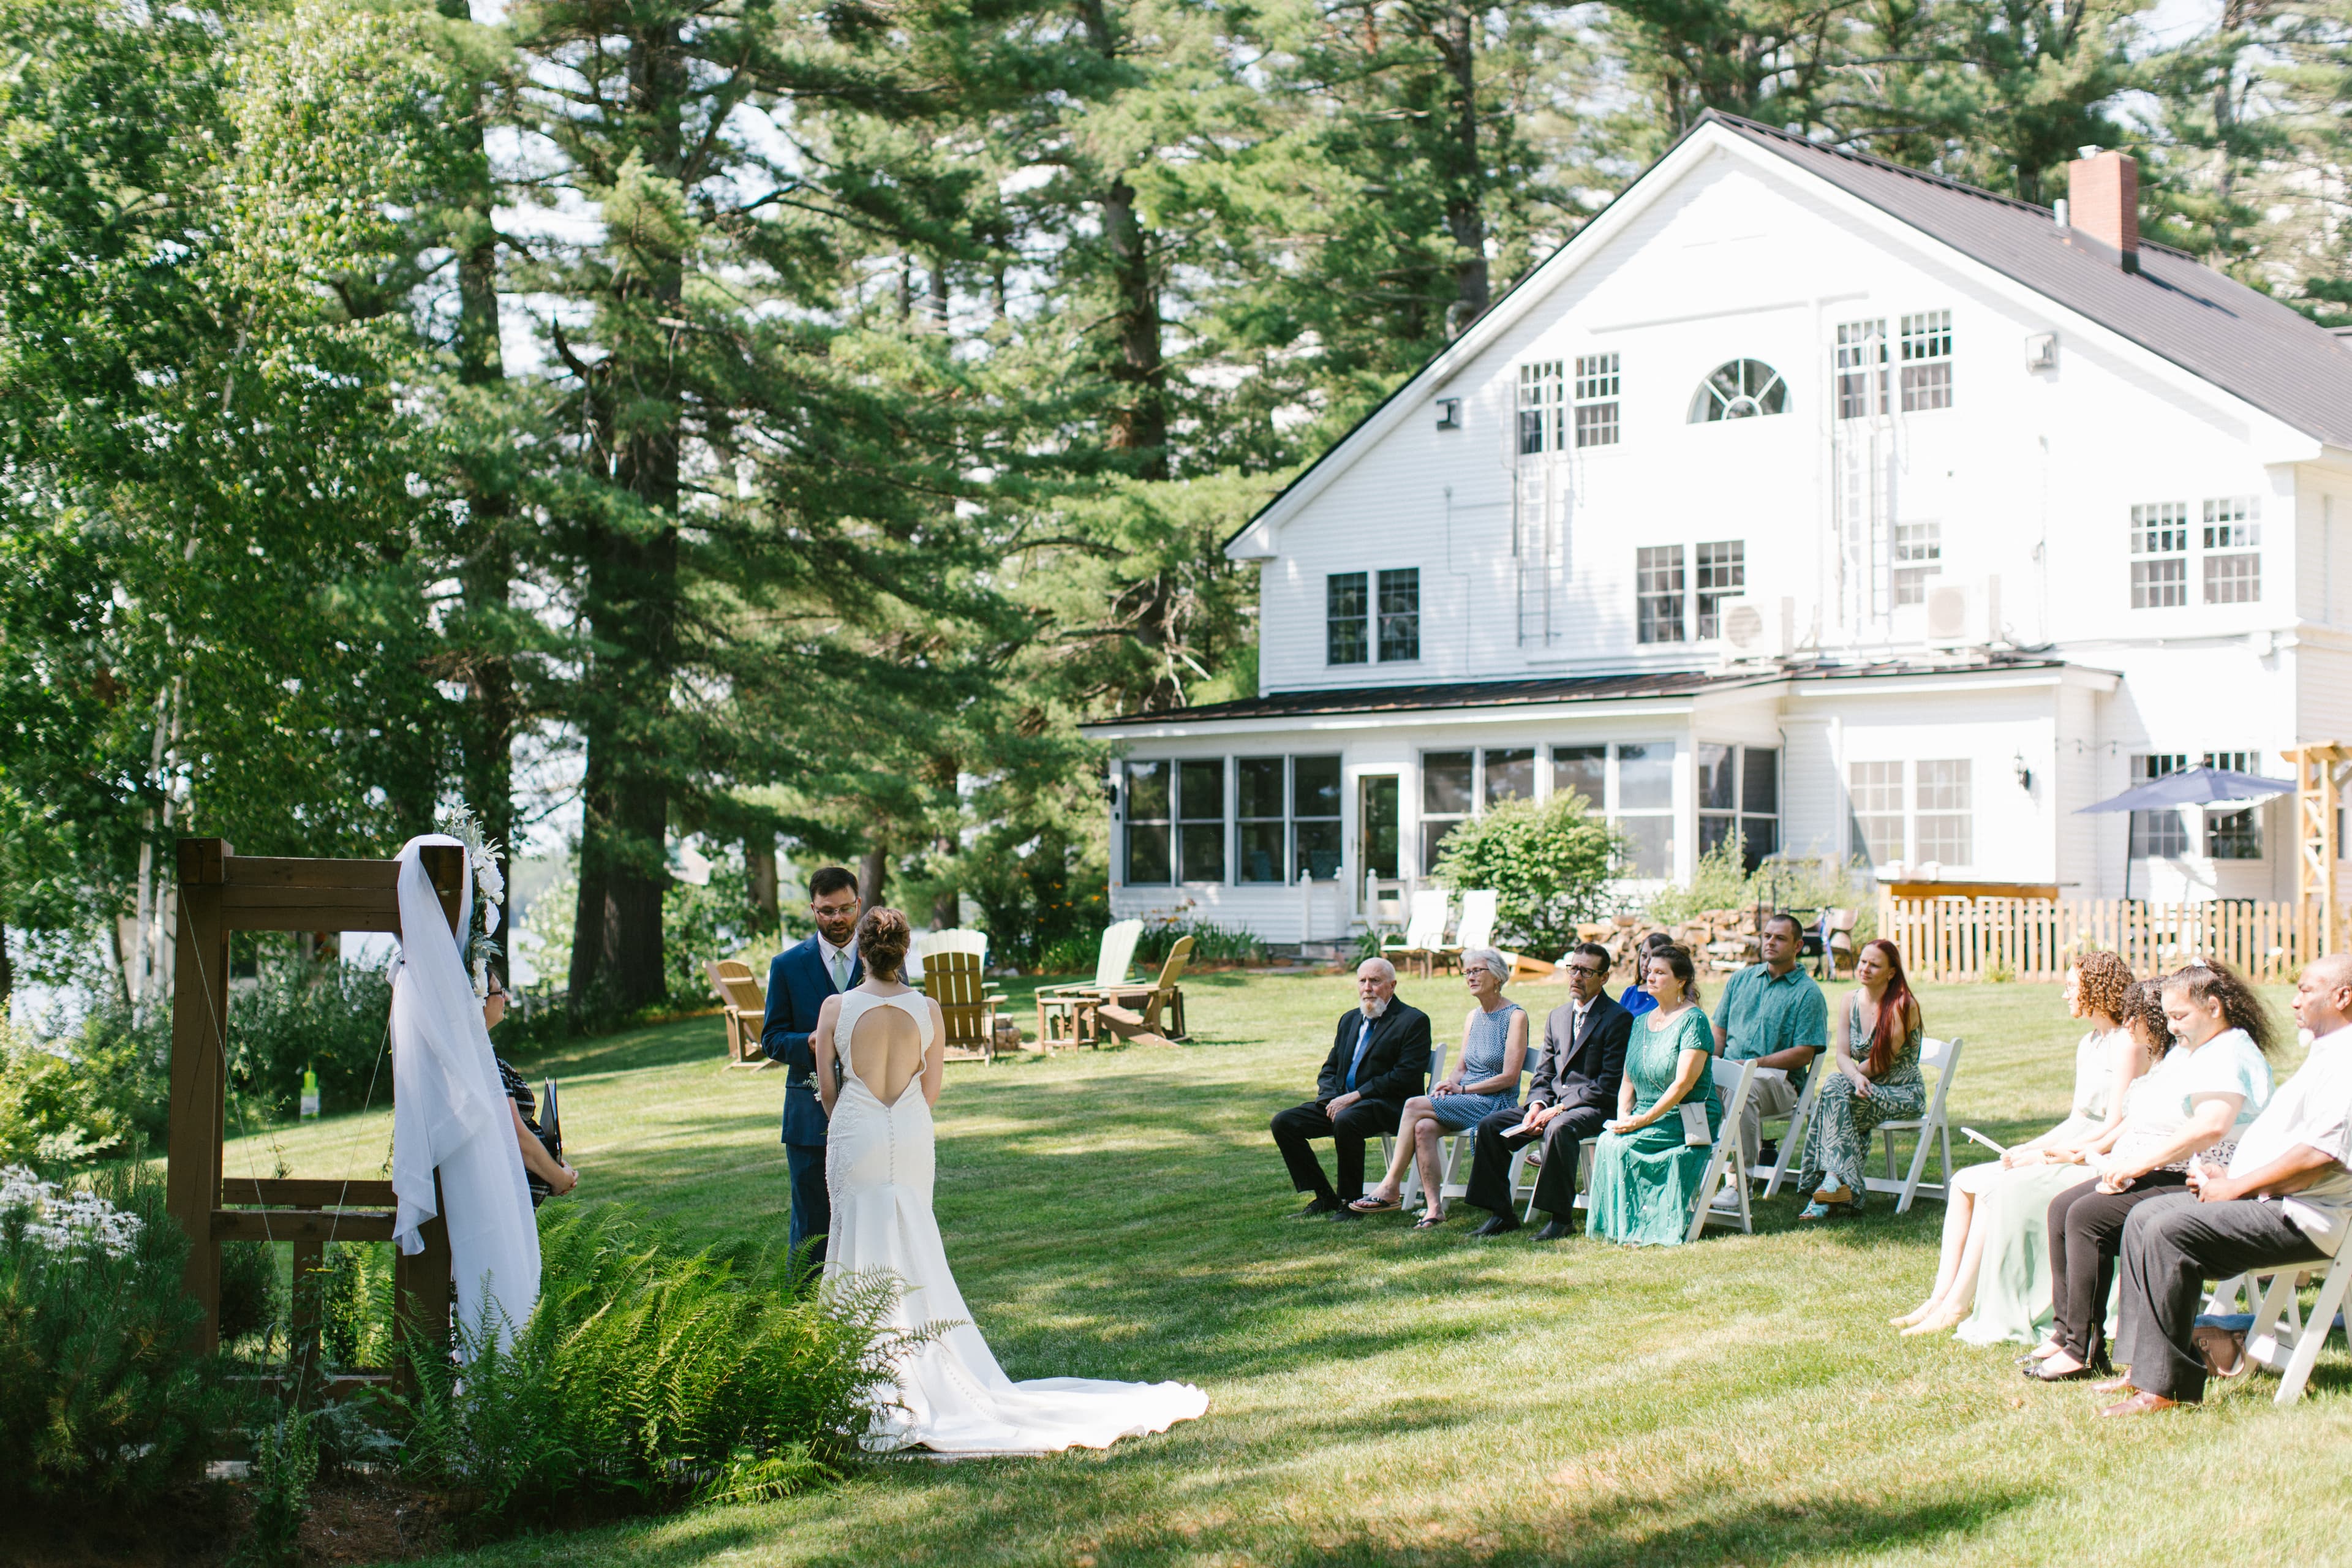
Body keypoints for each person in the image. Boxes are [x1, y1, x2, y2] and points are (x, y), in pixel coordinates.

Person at [817, 908, 1207, 1453]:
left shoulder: (837, 1007)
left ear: (860, 950)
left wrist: (852, 1123)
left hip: (856, 1131)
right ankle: (929, 1357)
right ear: (905, 953)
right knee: (915, 1239)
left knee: (857, 1239)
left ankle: (864, 1374)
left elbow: (831, 1093)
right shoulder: (926, 1008)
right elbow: (931, 1089)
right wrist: (902, 1116)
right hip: (907, 1132)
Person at [2097, 952, 2352, 1416]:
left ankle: (2166, 1388)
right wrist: (2233, 1177)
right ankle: (2141, 1367)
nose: (2294, 1001)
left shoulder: (2347, 1059)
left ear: (2343, 996)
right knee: (2144, 1217)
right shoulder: (2329, 1051)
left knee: (2168, 1230)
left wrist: (2237, 1188)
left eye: (2305, 991)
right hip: (2279, 1199)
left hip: (2308, 1216)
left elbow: (2322, 1156)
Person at [2027, 960, 2276, 1382]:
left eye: (2180, 1017)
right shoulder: (2205, 1049)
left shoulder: (2231, 1051)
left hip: (2212, 1184)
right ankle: (2070, 1336)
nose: (2173, 1027)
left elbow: (2212, 1125)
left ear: (2214, 1007)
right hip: (2186, 1172)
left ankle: (2082, 1350)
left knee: (2088, 1217)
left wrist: (2140, 1162)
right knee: (2065, 1207)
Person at [1908, 956, 2146, 1342]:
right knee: (1965, 1180)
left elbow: (2112, 1127)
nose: (2065, 994)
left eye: (2072, 986)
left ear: (2096, 990)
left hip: (2097, 1156)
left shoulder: (2126, 1045)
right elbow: (2076, 1117)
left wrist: (2048, 1156)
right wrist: (2029, 1146)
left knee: (1994, 1189)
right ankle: (1940, 1297)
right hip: (2074, 1143)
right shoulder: (2089, 1043)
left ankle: (1958, 1305)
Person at [1461, 942, 1632, 1240]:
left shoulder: (1618, 1019)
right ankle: (1501, 1213)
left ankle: (1560, 1219)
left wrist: (1560, 1109)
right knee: (1491, 1125)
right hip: (1552, 1105)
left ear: (1603, 978)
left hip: (1594, 1107)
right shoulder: (1558, 1016)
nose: (1576, 977)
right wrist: (1538, 1104)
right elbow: (1544, 1072)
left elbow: (1608, 1084)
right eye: (1573, 969)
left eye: (1586, 971)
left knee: (1559, 1128)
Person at [1348, 949, 1528, 1229]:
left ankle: (1391, 1185)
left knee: (1413, 1105)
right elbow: (1461, 1067)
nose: (1470, 977)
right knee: (1423, 1128)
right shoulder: (1473, 1017)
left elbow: (1509, 1077)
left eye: (1476, 971)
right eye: (1467, 972)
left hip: (1495, 1103)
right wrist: (1447, 1084)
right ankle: (1435, 1209)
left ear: (1497, 976)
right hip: (1466, 1098)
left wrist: (1463, 1091)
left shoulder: (1515, 1016)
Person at [1270, 959, 1434, 1217]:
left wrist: (1354, 1097)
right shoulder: (1349, 1020)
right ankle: (1324, 1197)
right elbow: (1330, 1068)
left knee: (1347, 1119)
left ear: (1392, 985)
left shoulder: (1413, 1021)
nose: (1368, 988)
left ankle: (1350, 1201)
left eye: (1375, 981)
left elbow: (1403, 1076)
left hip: (1392, 1107)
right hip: (1344, 1104)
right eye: (1362, 981)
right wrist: (1329, 1098)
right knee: (1284, 1122)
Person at [761, 866, 864, 1265]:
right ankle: (803, 1311)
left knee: (866, 1213)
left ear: (858, 904)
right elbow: (772, 1038)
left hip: (870, 1106)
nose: (837, 919)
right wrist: (810, 1042)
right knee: (811, 1223)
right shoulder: (787, 966)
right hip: (807, 1115)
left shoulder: (882, 958)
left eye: (844, 909)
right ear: (812, 909)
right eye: (826, 911)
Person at [1585, 944, 1721, 1246]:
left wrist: (1641, 1120)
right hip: (1646, 1111)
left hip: (1687, 1115)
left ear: (1681, 980)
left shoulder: (1693, 1021)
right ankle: (1624, 1225)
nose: (1651, 976)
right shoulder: (1640, 1022)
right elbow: (1628, 1079)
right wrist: (1623, 1117)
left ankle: (1644, 1226)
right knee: (1609, 1138)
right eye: (1650, 971)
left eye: (1661, 973)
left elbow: (1683, 1084)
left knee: (1625, 1144)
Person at [1796, 938, 1925, 1219]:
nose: (1865, 968)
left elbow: (1882, 1061)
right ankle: (1835, 1183)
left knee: (1833, 1097)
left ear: (1891, 972)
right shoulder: (1849, 1000)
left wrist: (1855, 1078)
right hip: (1863, 1086)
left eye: (1874, 965)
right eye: (1863, 962)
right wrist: (1854, 1077)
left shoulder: (1904, 1004)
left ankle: (1830, 1186)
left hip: (1901, 1092)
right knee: (1834, 1087)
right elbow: (1842, 1055)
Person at [1710, 911, 1829, 1201]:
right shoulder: (1740, 980)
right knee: (1688, 1082)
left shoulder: (1808, 993)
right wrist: (1708, 1067)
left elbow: (1804, 1053)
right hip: (1729, 1071)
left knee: (1743, 1088)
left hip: (1780, 1083)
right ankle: (1686, 1172)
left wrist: (1753, 1066)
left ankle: (1739, 1186)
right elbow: (1720, 1034)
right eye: (1767, 936)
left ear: (1798, 946)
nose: (1771, 942)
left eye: (1780, 938)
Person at [483, 973, 579, 1200]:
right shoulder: (481, 1062)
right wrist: (559, 1178)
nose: (505, 998)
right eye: (499, 991)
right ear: (480, 1000)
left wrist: (552, 1168)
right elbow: (514, 1134)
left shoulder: (483, 1054)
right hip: (505, 1203)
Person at [1619, 932, 1673, 1019]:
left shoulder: (1669, 997)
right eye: (1644, 956)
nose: (1646, 963)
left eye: (1653, 959)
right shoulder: (1629, 993)